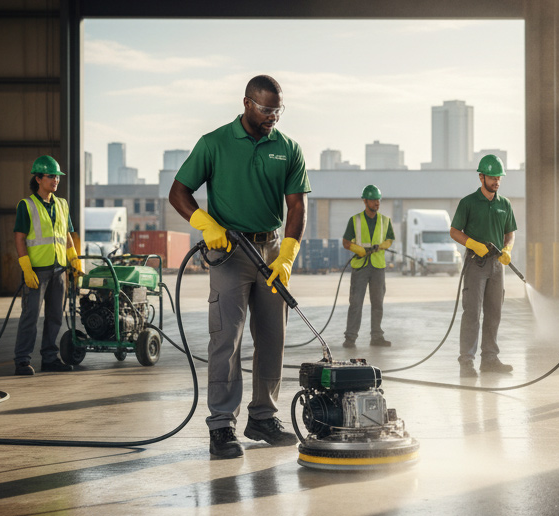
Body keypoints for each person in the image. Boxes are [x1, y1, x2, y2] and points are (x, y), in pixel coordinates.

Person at [169, 75, 309, 459]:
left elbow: (297, 205)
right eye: (266, 109)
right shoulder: (214, 143)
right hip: (229, 253)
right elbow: (178, 192)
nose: (273, 117)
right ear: (247, 103)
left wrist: (288, 254)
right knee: (226, 340)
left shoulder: (288, 149)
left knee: (273, 338)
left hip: (271, 251)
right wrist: (206, 224)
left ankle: (263, 417)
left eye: (278, 110)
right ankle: (221, 425)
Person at [449, 154, 518, 378]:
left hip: (497, 266)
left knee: (494, 312)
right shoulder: (468, 203)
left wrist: (507, 249)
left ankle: (489, 359)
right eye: (492, 177)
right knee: (472, 313)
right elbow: (454, 231)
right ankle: (466, 362)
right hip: (475, 264)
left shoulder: (504, 204)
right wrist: (473, 244)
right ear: (481, 177)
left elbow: (510, 233)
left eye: (499, 177)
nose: (496, 181)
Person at [13, 155, 81, 376]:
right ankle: (22, 361)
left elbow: (67, 236)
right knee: (30, 316)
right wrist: (26, 268)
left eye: (57, 177)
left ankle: (50, 358)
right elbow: (20, 238)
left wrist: (74, 261)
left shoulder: (62, 204)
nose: (56, 180)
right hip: (36, 271)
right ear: (38, 178)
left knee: (55, 316)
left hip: (59, 269)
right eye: (51, 176)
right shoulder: (26, 205)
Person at [341, 184, 395, 348]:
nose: (377, 203)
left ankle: (377, 337)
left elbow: (390, 239)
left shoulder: (385, 221)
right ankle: (350, 338)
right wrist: (359, 250)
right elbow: (346, 242)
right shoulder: (355, 220)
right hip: (360, 266)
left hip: (378, 267)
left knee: (378, 303)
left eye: (378, 200)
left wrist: (381, 246)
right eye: (373, 200)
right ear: (365, 201)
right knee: (356, 303)